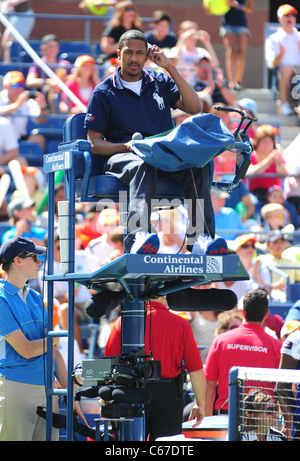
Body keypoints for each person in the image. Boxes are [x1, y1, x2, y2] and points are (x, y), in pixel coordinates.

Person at [84, 29, 224, 256]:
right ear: (118, 54)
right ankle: (138, 236)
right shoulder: (103, 92)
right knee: (143, 164)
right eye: (128, 52)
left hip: (161, 155)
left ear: (147, 56)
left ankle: (200, 239)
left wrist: (169, 66)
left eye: (140, 53)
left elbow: (194, 107)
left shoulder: (159, 81)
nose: (134, 58)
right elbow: (94, 143)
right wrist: (126, 146)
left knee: (197, 167)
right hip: (123, 157)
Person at [0, 236, 86, 440]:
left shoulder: (36, 297)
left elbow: (53, 348)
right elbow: (27, 350)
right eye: (34, 257)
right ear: (17, 261)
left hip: (47, 389)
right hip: (17, 388)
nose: (39, 262)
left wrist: (69, 394)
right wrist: (52, 342)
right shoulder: (1, 299)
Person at [104, 295, 205, 440]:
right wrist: (200, 404)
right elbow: (195, 369)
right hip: (169, 395)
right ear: (164, 295)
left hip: (132, 392)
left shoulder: (122, 322)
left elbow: (109, 363)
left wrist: (106, 399)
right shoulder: (181, 324)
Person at [204, 289, 282, 416]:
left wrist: (207, 419)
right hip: (263, 420)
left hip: (227, 416)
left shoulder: (220, 341)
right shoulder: (276, 346)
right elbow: (283, 389)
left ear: (243, 312)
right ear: (266, 313)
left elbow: (209, 383)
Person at [265, 4, 300, 116]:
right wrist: (282, 53)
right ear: (280, 19)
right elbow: (271, 64)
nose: (290, 18)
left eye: (293, 15)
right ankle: (284, 105)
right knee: (287, 69)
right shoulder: (273, 39)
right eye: (287, 15)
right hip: (283, 71)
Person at [0, 71, 48, 151]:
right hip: (2, 139)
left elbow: (42, 120)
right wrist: (17, 105)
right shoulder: (1, 97)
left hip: (19, 138)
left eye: (21, 85)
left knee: (39, 139)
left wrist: (43, 108)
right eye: (15, 85)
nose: (19, 88)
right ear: (6, 87)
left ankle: (40, 163)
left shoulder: (27, 101)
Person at [26, 34, 72, 114]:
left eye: (55, 46)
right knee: (51, 89)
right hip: (45, 93)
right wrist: (49, 81)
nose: (53, 49)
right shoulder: (38, 63)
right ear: (43, 48)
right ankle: (54, 116)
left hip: (63, 93)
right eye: (50, 46)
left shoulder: (65, 64)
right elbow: (30, 81)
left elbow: (73, 79)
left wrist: (62, 80)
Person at [168, 20, 220, 85]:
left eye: (194, 32)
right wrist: (182, 38)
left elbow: (215, 65)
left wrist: (207, 43)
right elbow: (172, 60)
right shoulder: (176, 50)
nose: (192, 34)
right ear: (181, 33)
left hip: (198, 88)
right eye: (188, 31)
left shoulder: (201, 52)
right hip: (179, 86)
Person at [246, 124, 287, 202]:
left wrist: (279, 163)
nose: (267, 144)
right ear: (258, 142)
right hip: (255, 194)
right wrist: (267, 161)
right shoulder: (250, 156)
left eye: (270, 141)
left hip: (274, 195)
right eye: (264, 141)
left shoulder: (276, 156)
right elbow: (249, 173)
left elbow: (284, 174)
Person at [219, 0, 254, 90]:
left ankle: (238, 80)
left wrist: (238, 6)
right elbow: (216, 5)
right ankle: (231, 82)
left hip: (241, 24)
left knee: (241, 53)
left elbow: (250, 9)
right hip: (227, 24)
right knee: (231, 51)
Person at [259, 230, 300, 301]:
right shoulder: (261, 260)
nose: (279, 245)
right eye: (275, 242)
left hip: (292, 295)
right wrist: (274, 286)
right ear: (268, 244)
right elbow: (256, 284)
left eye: (282, 242)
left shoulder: (292, 259)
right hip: (270, 296)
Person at [276, 328, 300, 440]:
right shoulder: (296, 339)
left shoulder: (295, 339)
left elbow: (281, 388)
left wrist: (296, 415)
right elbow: (281, 388)